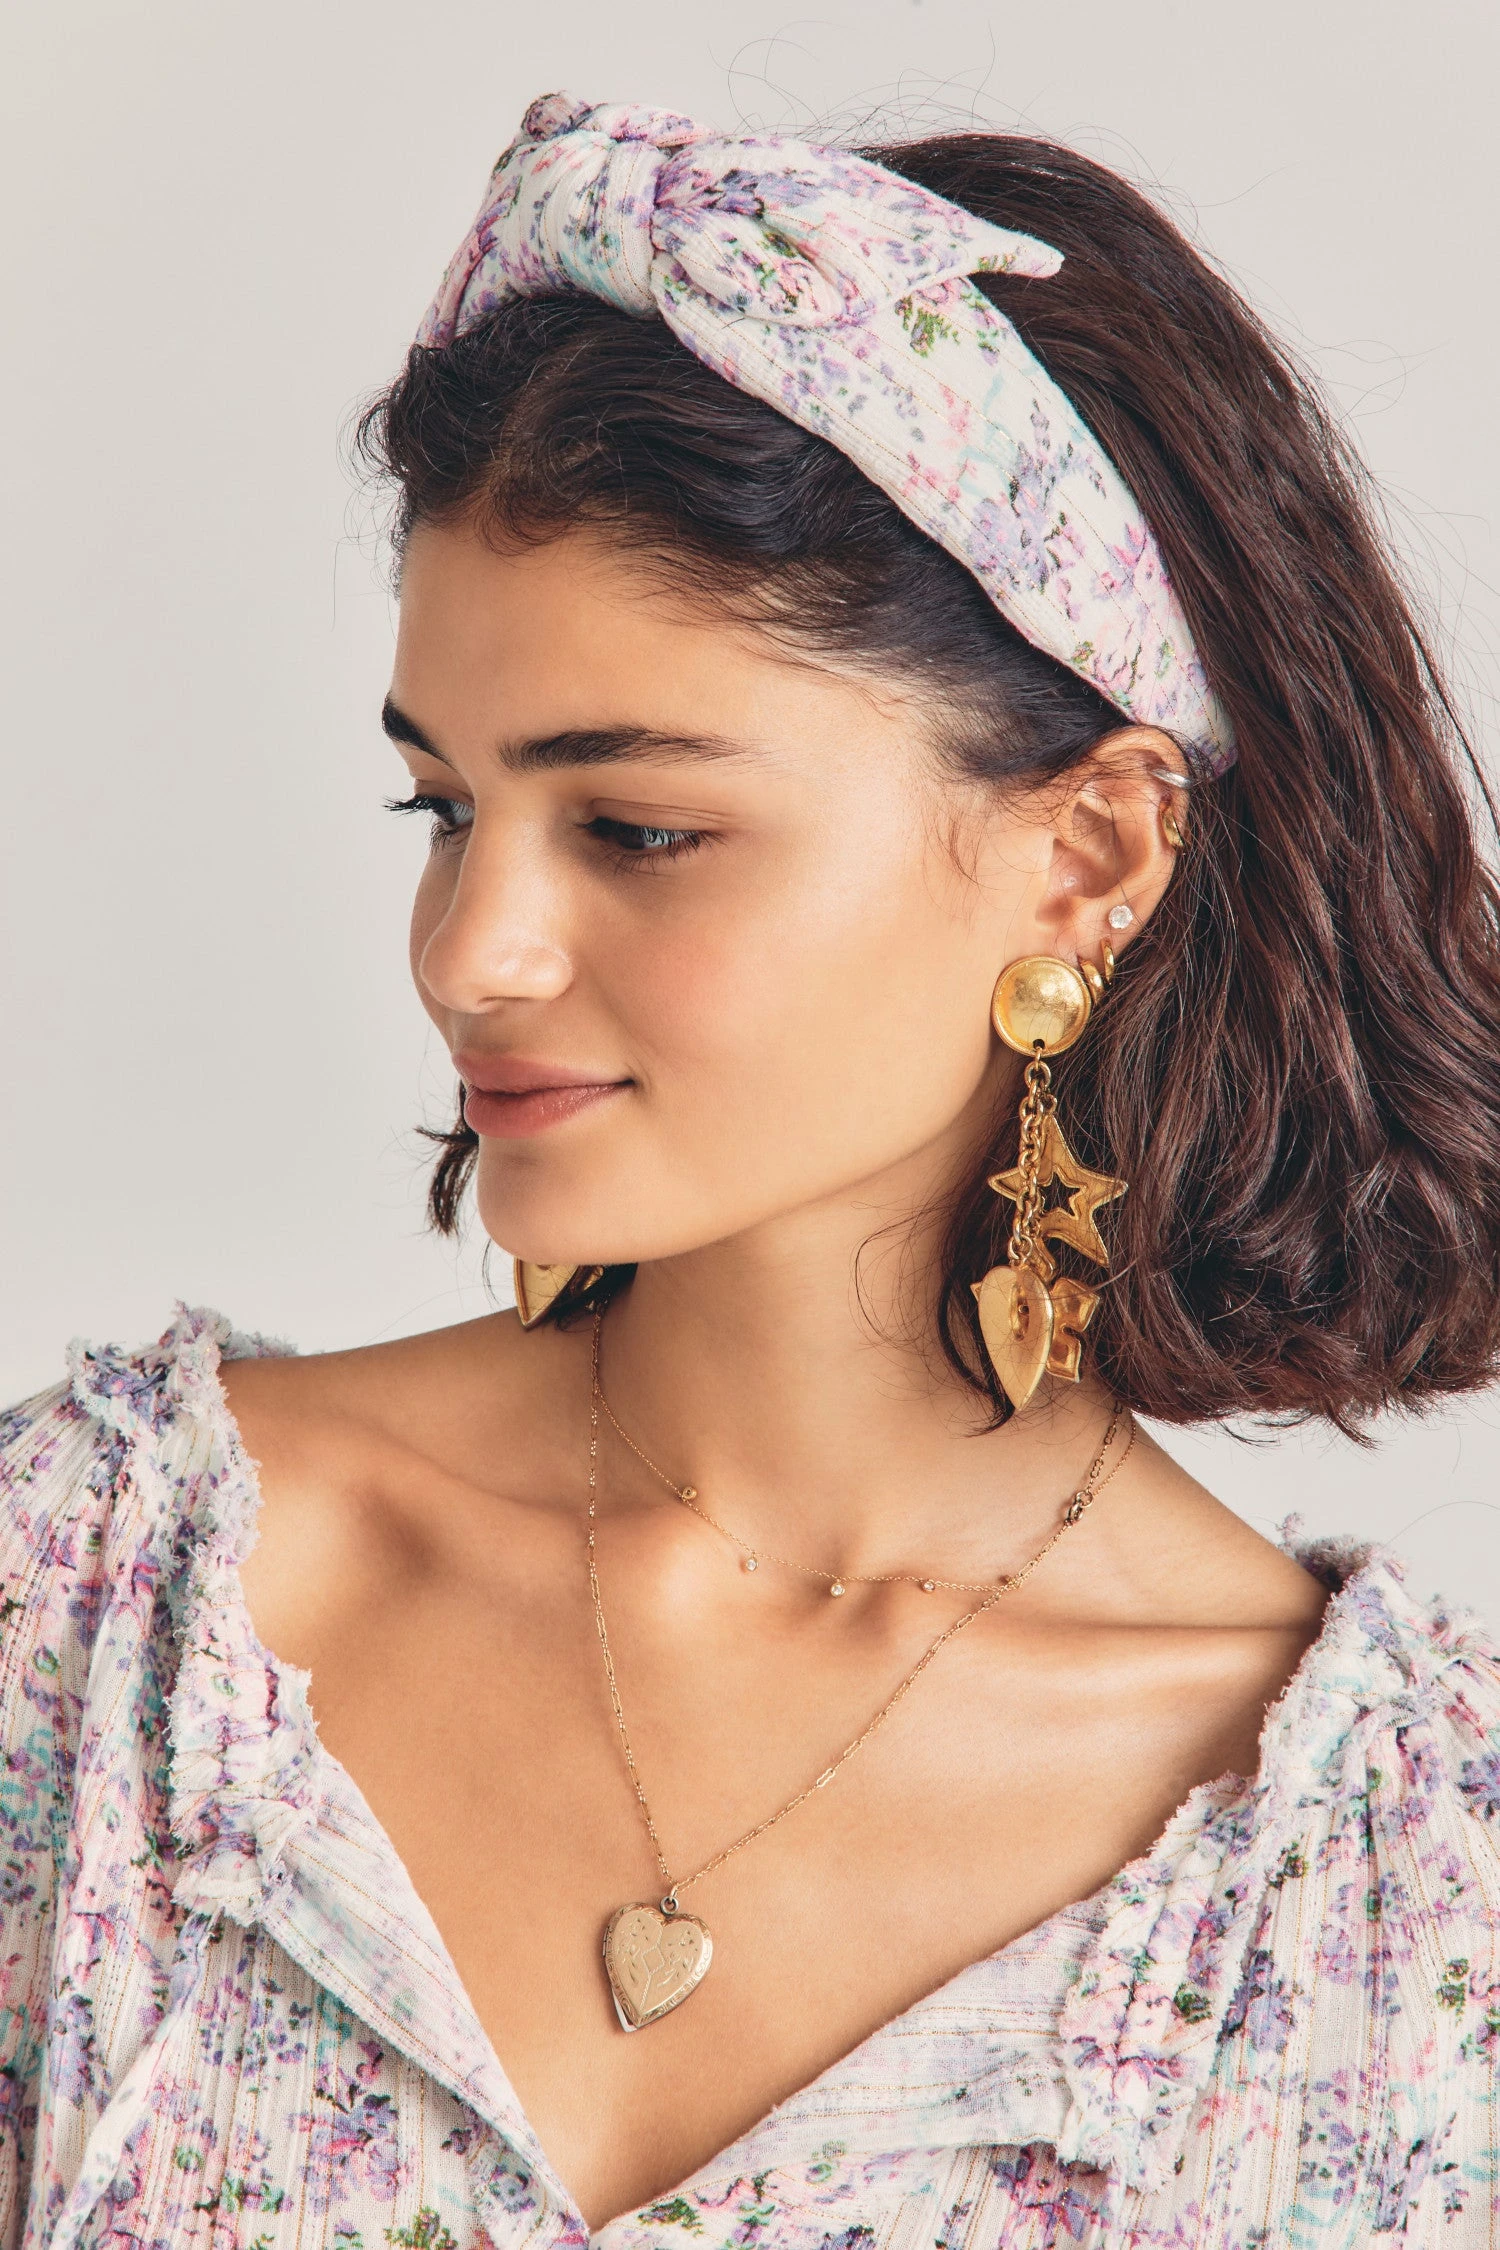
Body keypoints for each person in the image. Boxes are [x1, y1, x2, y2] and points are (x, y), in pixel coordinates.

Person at [3, 90, 1500, 2250]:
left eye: (639, 829)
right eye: (445, 809)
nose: (471, 953)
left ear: (1089, 854)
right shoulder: (98, 1604)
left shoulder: (1403, 1895)